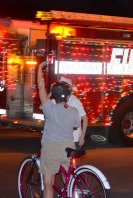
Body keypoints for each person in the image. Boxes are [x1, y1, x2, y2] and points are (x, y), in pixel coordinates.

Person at [37, 61, 81, 198]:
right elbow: (76, 125)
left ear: (53, 95)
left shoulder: (49, 107)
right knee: (70, 177)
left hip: (51, 148)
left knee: (48, 182)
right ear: (68, 96)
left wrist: (39, 69)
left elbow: (40, 87)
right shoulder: (73, 111)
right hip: (68, 147)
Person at [54, 76, 88, 149]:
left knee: (71, 158)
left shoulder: (75, 101)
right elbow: (43, 106)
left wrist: (82, 136)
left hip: (74, 138)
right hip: (61, 138)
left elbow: (85, 118)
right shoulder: (57, 99)